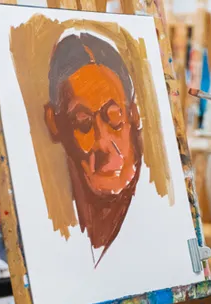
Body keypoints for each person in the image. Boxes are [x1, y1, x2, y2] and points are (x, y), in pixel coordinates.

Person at [42, 32, 145, 263]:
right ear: (54, 123)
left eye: (114, 117)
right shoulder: (56, 231)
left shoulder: (158, 215)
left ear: (133, 115)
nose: (102, 142)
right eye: (83, 122)